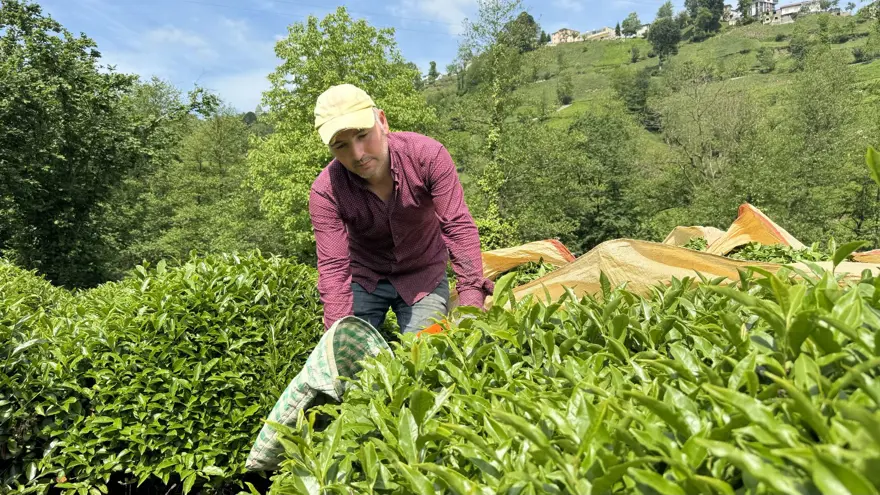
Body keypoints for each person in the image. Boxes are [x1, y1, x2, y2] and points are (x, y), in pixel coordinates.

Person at [308, 83, 493, 334]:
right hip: (366, 276)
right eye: (341, 146)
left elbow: (457, 226)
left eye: (362, 135)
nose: (358, 154)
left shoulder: (428, 156)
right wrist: (339, 337)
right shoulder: (326, 191)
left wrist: (471, 300)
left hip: (423, 273)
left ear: (382, 121)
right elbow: (333, 266)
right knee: (351, 357)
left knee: (423, 355)